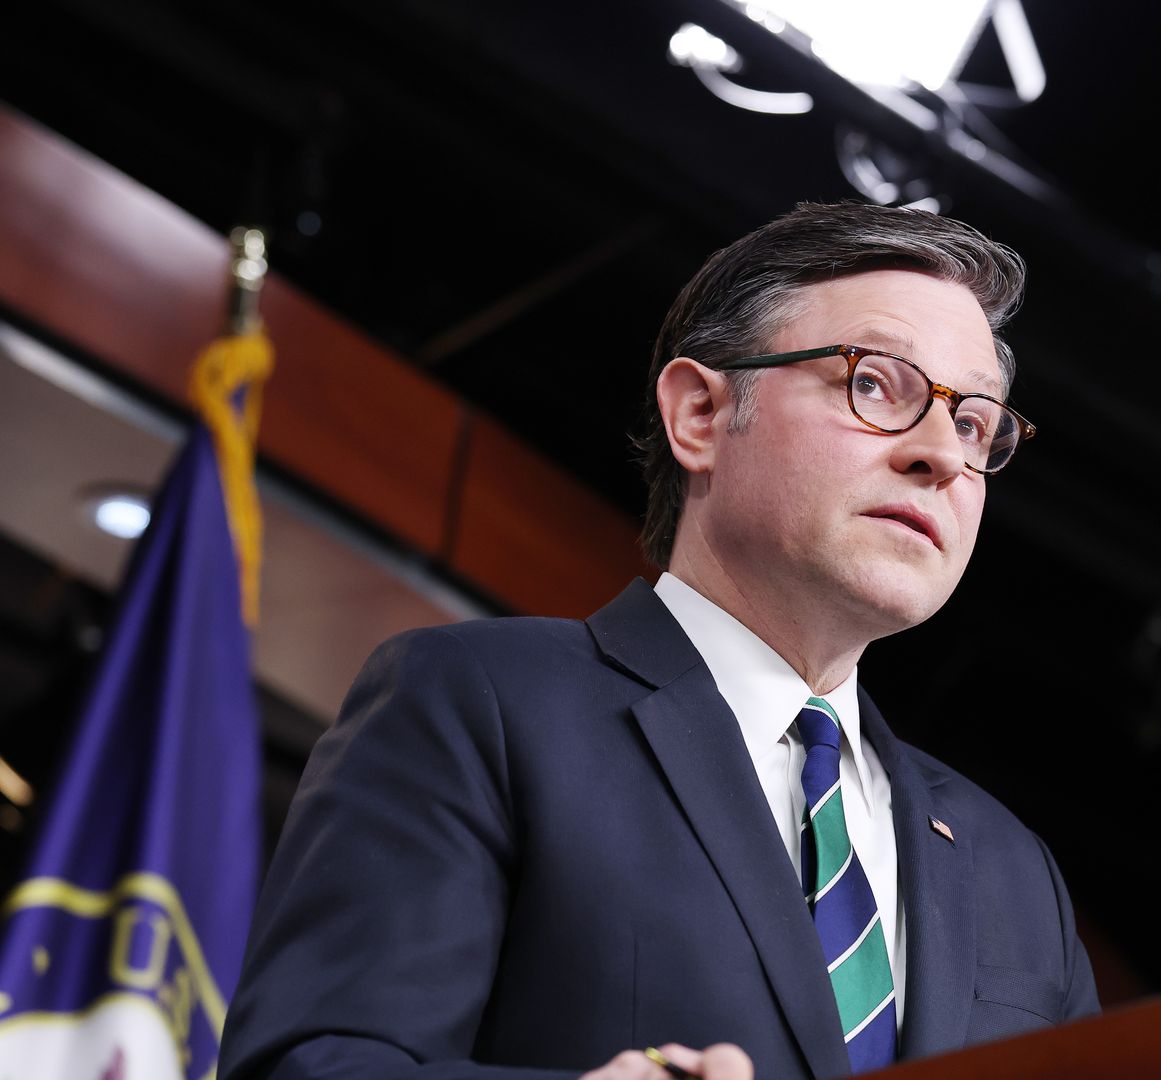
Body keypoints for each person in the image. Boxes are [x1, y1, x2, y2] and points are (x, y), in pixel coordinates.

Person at [220, 202, 1100, 1080]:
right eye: (875, 383)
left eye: (976, 422)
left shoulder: (1014, 873)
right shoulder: (479, 703)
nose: (942, 454)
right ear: (700, 416)